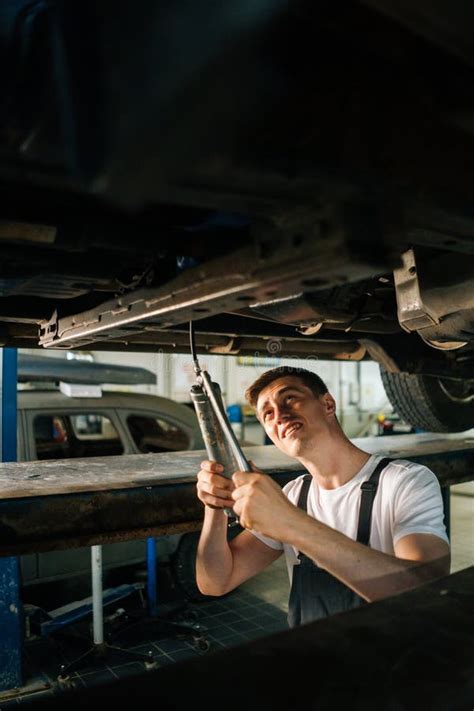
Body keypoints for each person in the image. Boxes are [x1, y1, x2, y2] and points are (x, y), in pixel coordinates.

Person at [195, 366, 450, 626]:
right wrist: (215, 505)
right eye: (268, 414)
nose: (280, 416)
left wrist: (290, 523)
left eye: (290, 398)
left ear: (327, 404)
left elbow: (426, 590)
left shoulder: (405, 481)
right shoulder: (294, 495)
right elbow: (215, 582)